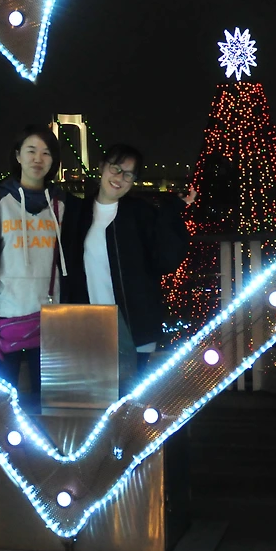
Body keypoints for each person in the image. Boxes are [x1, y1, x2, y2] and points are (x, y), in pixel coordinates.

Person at [61, 144, 195, 379]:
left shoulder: (141, 213)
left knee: (128, 397)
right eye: (115, 168)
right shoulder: (78, 213)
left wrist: (172, 212)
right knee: (97, 395)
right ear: (102, 167)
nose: (119, 178)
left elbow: (166, 260)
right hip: (90, 325)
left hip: (135, 327)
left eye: (128, 174)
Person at [0, 126, 67, 402]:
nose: (38, 158)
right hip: (4, 319)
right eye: (31, 151)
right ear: (18, 156)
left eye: (46, 153)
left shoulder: (64, 204)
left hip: (53, 321)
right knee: (1, 403)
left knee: (49, 403)